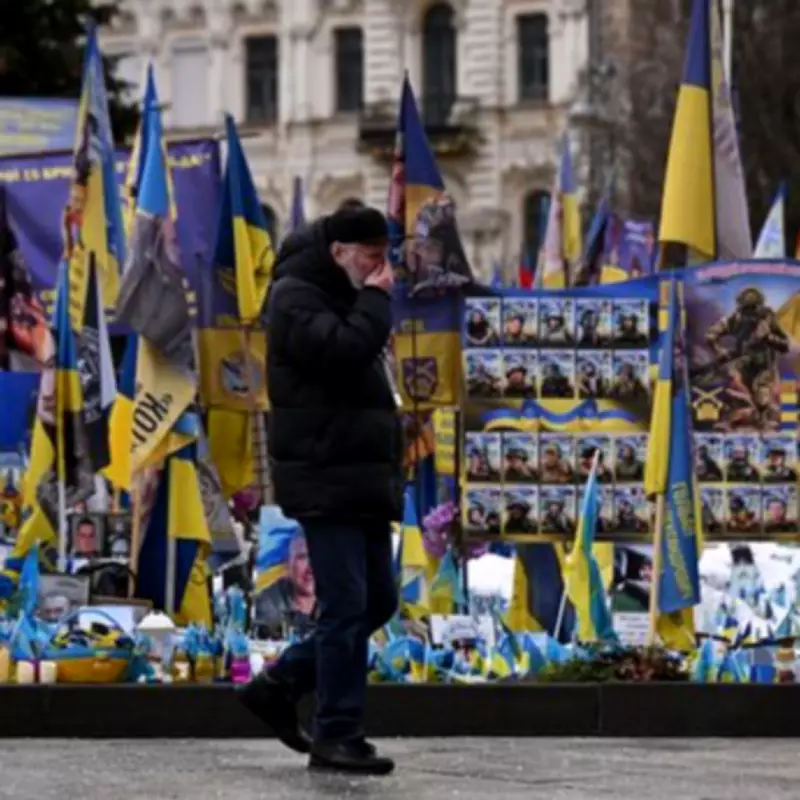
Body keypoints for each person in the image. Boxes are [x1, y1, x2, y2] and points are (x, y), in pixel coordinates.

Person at [238, 204, 401, 775]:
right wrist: (377, 300)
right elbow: (342, 351)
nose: (382, 271)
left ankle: (280, 683)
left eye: (385, 260)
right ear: (339, 253)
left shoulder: (344, 293)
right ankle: (338, 734)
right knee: (346, 606)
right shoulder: (294, 296)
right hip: (324, 472)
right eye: (372, 260)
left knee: (379, 600)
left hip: (359, 476)